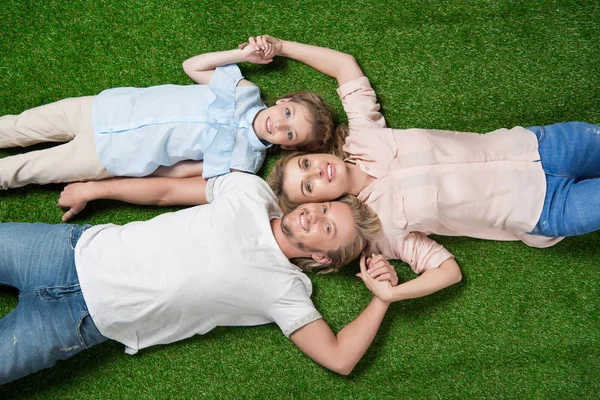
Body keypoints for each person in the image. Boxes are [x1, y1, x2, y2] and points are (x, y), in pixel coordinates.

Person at [258, 35, 600, 303]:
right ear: (317, 201)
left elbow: (345, 66)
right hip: (543, 209)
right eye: (308, 186)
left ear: (313, 153)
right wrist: (392, 294)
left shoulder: (363, 136)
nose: (317, 173)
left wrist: (282, 47)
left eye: (305, 164)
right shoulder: (379, 233)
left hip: (542, 145)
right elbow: (447, 271)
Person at [0, 172, 391, 384]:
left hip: (75, 323)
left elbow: (340, 358)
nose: (313, 214)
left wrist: (383, 298)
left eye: (326, 227)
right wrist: (95, 188)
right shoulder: (250, 191)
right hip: (65, 251)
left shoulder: (286, 290)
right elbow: (167, 190)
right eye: (323, 207)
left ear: (321, 256)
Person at [0, 44, 334, 190]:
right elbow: (193, 66)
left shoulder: (245, 162)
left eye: (289, 134)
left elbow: (183, 172)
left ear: (288, 148)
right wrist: (241, 56)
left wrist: (135, 172)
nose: (280, 124)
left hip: (112, 158)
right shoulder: (244, 90)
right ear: (283, 100)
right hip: (102, 108)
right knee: (18, 126)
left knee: (23, 170)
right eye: (287, 113)